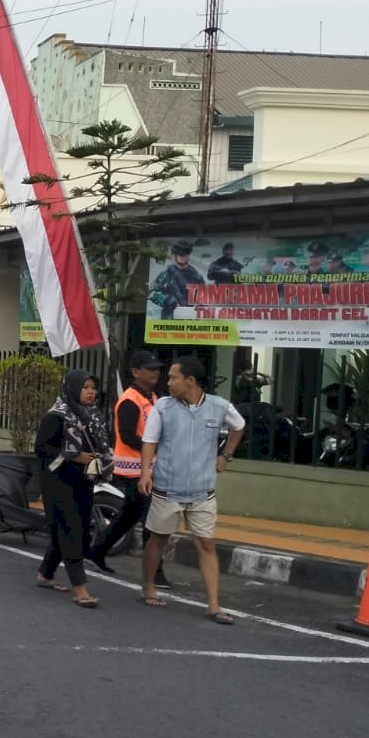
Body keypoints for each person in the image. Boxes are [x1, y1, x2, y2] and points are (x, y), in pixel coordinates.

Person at [138, 355, 245, 624]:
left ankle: (214, 605)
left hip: (202, 490)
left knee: (207, 543)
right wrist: (145, 473)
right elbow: (149, 440)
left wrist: (226, 456)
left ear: (190, 380)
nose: (168, 382)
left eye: (173, 377)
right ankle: (148, 585)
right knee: (158, 538)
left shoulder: (220, 406)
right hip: (167, 487)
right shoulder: (163, 407)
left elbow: (239, 426)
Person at [84, 351, 171, 586]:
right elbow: (127, 436)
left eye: (157, 368)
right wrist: (155, 446)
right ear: (135, 372)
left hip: (147, 468)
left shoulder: (152, 397)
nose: (155, 372)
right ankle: (155, 572)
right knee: (150, 520)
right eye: (149, 369)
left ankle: (96, 552)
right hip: (133, 470)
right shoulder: (130, 400)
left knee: (129, 516)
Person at [34, 369, 111, 609]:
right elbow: (42, 449)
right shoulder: (56, 416)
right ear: (73, 388)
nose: (91, 392)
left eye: (93, 388)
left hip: (83, 480)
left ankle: (46, 574)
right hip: (58, 480)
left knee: (73, 527)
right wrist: (75, 456)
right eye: (85, 387)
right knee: (71, 530)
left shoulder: (92, 416)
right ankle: (80, 588)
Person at [150, 242, 206, 319]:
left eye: (186, 254)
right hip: (170, 317)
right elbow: (153, 293)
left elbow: (204, 297)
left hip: (190, 317)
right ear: (174, 256)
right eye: (181, 255)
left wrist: (198, 306)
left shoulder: (196, 275)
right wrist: (170, 301)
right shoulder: (167, 273)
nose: (184, 257)